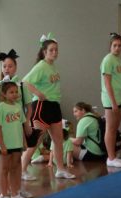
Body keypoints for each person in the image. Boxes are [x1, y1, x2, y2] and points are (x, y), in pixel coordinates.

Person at [23, 33, 76, 179]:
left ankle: (60, 169)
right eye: (51, 50)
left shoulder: (53, 67)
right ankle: (22, 169)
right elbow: (26, 82)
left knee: (58, 140)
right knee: (36, 140)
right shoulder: (41, 66)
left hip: (54, 106)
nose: (54, 52)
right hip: (42, 106)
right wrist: (38, 93)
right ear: (44, 52)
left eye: (56, 50)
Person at [0, 80, 29, 198]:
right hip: (6, 145)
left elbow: (21, 125)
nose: (14, 94)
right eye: (11, 92)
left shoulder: (18, 107)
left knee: (15, 168)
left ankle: (15, 194)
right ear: (4, 94)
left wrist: (24, 142)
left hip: (17, 144)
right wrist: (2, 144)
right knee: (5, 169)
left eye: (16, 92)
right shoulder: (1, 107)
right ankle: (4, 195)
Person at [100, 33, 121, 168]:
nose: (117, 48)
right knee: (110, 129)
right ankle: (110, 158)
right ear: (110, 46)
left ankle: (113, 156)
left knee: (115, 128)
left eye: (119, 46)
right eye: (114, 45)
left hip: (120, 99)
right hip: (111, 100)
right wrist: (113, 102)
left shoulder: (119, 60)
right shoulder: (108, 60)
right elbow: (108, 83)